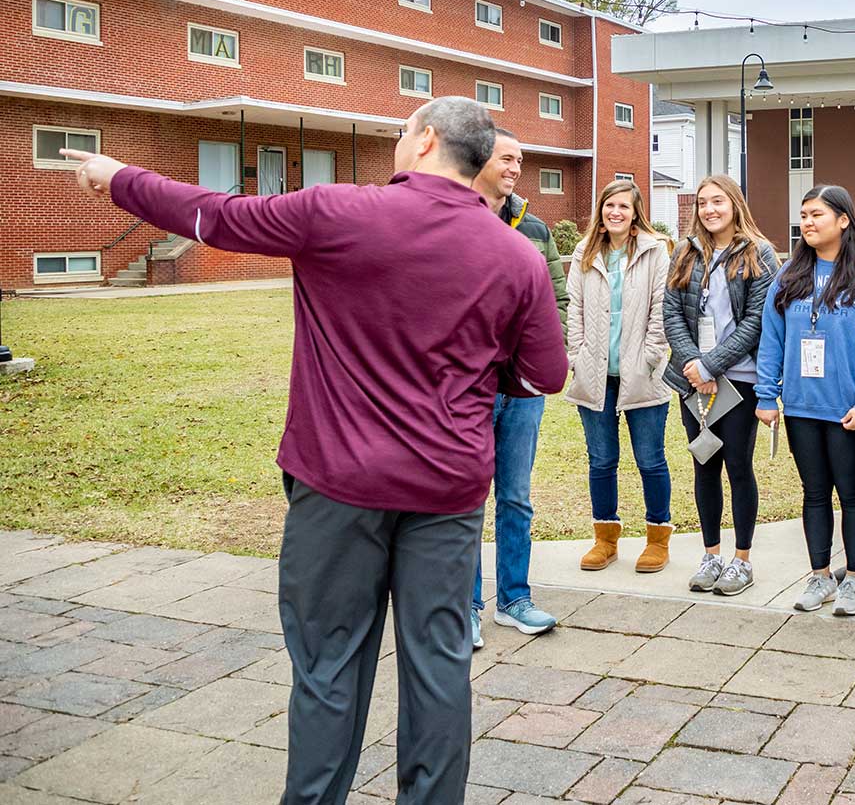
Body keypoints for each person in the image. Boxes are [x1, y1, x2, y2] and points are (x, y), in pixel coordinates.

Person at [61, 97, 568, 804]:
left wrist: (119, 177)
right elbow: (545, 372)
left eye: (399, 132)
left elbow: (217, 214)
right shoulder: (516, 253)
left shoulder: (336, 210)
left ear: (424, 141)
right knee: (439, 664)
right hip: (448, 490)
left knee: (329, 664)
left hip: (337, 482)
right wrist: (482, 372)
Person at [755, 185, 855, 617]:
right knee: (814, 492)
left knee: (853, 493)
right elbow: (772, 340)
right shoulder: (788, 276)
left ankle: (854, 579)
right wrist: (767, 394)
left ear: (843, 220)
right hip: (801, 407)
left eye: (817, 214)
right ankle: (819, 575)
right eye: (804, 214)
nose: (808, 222)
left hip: (848, 410)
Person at [466, 127, 570, 648]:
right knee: (466, 497)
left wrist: (553, 354)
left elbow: (558, 301)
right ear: (480, 159)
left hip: (524, 391)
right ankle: (464, 607)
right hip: (472, 389)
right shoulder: (456, 223)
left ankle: (514, 599)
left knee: (516, 496)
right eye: (507, 158)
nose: (515, 168)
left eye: (521, 160)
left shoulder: (535, 228)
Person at [664, 175, 780, 597]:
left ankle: (742, 559)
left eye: (718, 201)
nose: (709, 210)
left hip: (740, 380)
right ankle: (710, 554)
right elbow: (672, 312)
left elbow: (756, 321)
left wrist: (712, 362)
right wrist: (694, 364)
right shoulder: (685, 251)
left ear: (735, 204)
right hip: (692, 381)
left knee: (737, 466)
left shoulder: (759, 253)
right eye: (702, 203)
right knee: (703, 462)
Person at [567, 178, 674, 573]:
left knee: (650, 459)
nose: (615, 212)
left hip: (642, 373)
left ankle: (657, 538)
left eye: (623, 207)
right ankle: (605, 539)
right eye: (609, 205)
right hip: (594, 373)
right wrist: (576, 354)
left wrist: (649, 356)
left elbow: (662, 309)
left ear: (635, 213)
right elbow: (573, 308)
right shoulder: (585, 251)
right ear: (601, 210)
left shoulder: (654, 251)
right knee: (601, 460)